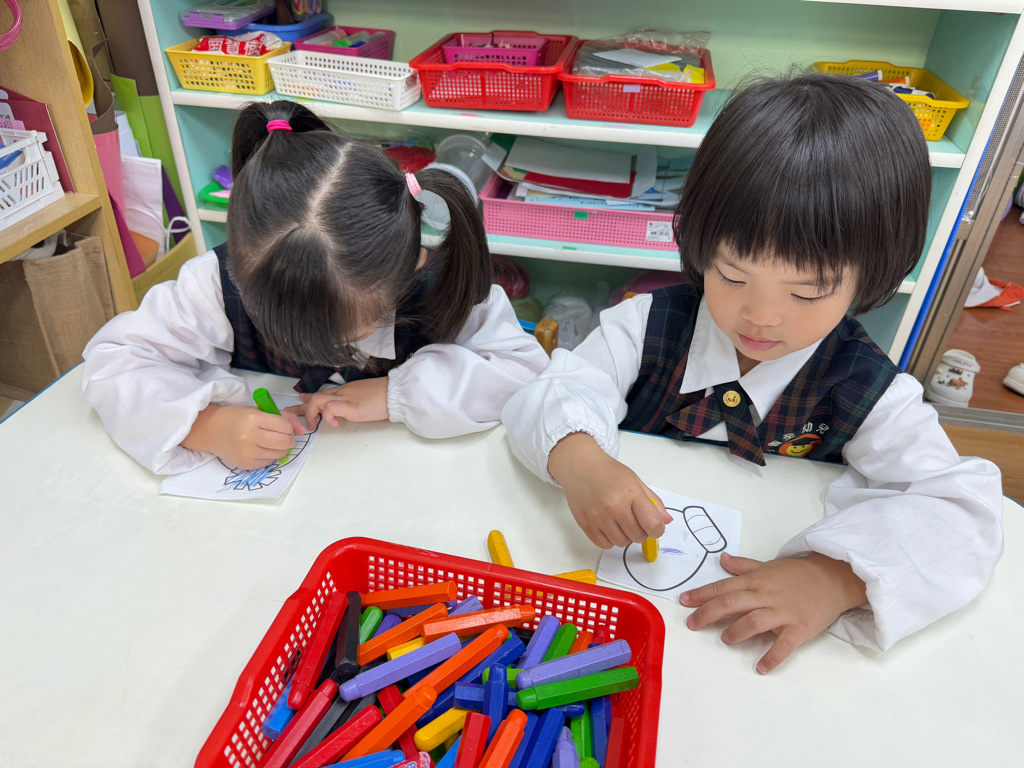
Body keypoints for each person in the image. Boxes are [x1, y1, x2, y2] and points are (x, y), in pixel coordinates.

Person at [502, 73, 1004, 672]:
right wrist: (580, 460)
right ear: (699, 245)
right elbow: (557, 389)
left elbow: (962, 509)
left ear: (874, 274)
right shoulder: (646, 325)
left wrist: (834, 578)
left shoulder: (868, 389)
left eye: (808, 292)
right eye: (733, 277)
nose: (762, 316)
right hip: (608, 614)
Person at [83, 101, 549, 474]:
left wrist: (395, 394)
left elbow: (524, 372)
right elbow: (116, 360)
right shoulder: (219, 280)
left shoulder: (441, 286)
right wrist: (206, 425)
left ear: (405, 271)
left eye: (352, 332)